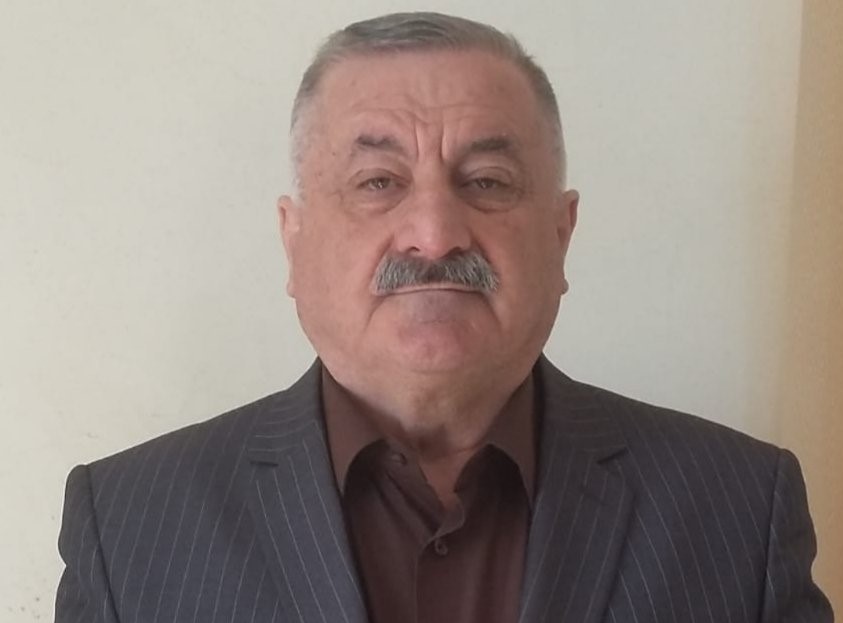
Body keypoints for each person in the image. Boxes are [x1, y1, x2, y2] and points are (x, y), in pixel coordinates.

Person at [55, 12, 833, 623]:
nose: (433, 234)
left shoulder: (738, 507)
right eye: (377, 181)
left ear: (560, 235)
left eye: (486, 181)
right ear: (294, 241)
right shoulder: (128, 527)